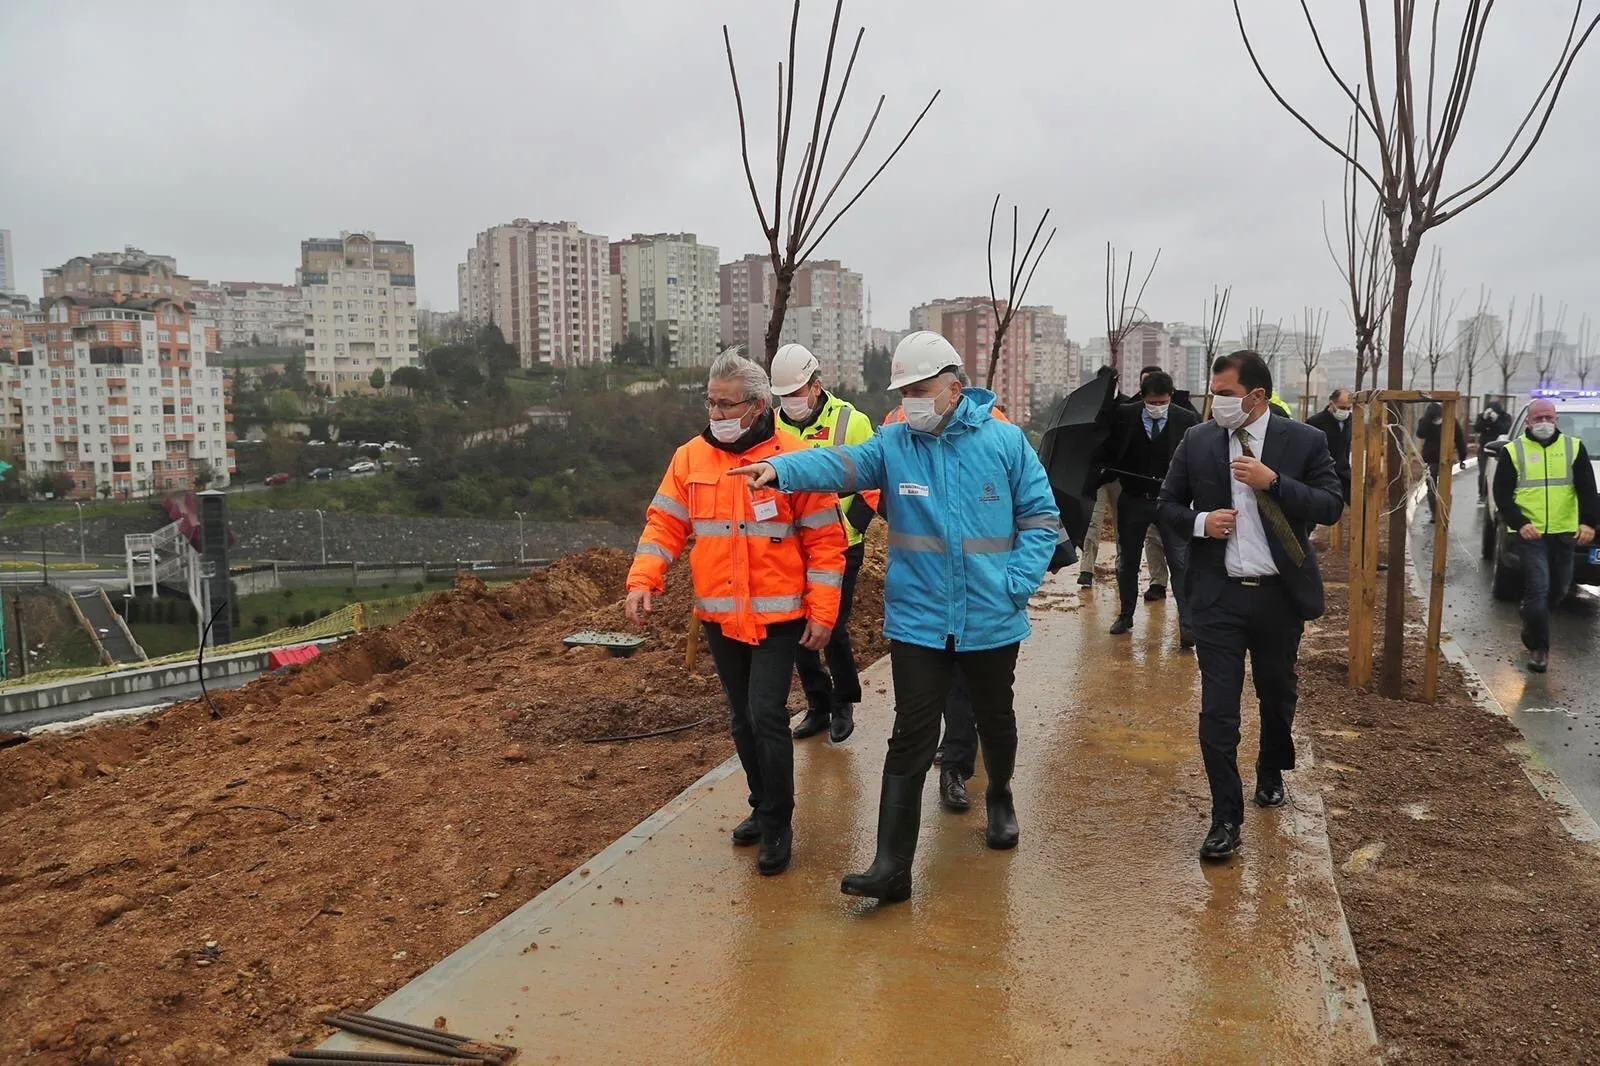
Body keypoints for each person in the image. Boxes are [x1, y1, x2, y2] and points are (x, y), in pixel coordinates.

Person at [731, 331, 1060, 902]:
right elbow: (840, 464)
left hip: (991, 618)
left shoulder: (1006, 442)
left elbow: (1040, 517)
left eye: (920, 388)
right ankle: (891, 867)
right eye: (904, 390)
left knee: (994, 717)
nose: (910, 400)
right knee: (911, 735)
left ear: (954, 387)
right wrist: (780, 473)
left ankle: (1000, 794)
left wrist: (1017, 583)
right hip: (919, 621)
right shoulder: (894, 443)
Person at [626, 350, 848, 877]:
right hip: (721, 615)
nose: (717, 414)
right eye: (711, 403)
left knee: (767, 713)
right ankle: (761, 803)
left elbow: (825, 543)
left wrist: (823, 612)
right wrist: (642, 578)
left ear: (757, 405)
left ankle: (779, 823)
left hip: (778, 616)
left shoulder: (795, 458)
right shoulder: (689, 459)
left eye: (728, 405)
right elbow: (665, 525)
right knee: (742, 718)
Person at [1159, 350, 1344, 861]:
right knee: (1218, 711)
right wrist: (1202, 523)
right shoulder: (1197, 440)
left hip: (1278, 597)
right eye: (1212, 393)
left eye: (1225, 394)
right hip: (1218, 598)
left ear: (1257, 397)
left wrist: (1275, 483)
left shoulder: (1304, 440)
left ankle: (1269, 768)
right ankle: (1225, 819)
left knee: (1277, 692)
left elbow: (1331, 504)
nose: (1214, 402)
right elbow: (1167, 505)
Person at [771, 342, 879, 744]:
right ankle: (817, 704)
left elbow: (874, 484)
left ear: (816, 386)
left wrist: (848, 527)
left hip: (840, 545)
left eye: (796, 393)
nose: (790, 402)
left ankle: (843, 701)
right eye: (783, 396)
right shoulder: (773, 424)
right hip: (790, 546)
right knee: (798, 627)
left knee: (830, 625)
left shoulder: (851, 422)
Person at [1492, 399, 1600, 673]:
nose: (1543, 423)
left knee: (1560, 589)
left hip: (1565, 533)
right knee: (1538, 588)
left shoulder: (1573, 448)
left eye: (1548, 417)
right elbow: (1502, 494)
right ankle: (1539, 648)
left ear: (1556, 420)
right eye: (1538, 418)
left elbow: (1587, 488)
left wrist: (1589, 523)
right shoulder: (1513, 451)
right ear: (1528, 421)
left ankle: (1531, 615)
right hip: (1531, 534)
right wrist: (1520, 522)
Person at [1098, 370, 1200, 644]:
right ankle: (1126, 614)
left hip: (1171, 502)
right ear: (1143, 398)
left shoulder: (1186, 419)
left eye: (1162, 402)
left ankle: (1188, 625)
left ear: (1171, 397)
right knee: (1127, 561)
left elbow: (1197, 458)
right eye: (1152, 402)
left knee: (1179, 562)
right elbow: (1108, 449)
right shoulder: (1126, 416)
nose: (1157, 407)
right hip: (1133, 499)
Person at [1081, 364, 1172, 594]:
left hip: (1125, 478)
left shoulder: (1127, 406)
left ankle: (1128, 565)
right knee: (1094, 521)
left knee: (1129, 528)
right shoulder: (1088, 407)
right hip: (1098, 475)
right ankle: (1086, 569)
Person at [1417, 402, 1468, 523]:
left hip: (1445, 459)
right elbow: (1420, 433)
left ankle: (1441, 513)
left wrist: (1462, 458)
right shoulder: (1426, 422)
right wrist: (1462, 458)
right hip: (1432, 460)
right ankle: (1436, 514)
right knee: (1432, 488)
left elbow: (1459, 439)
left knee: (1442, 487)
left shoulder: (1450, 421)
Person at [1306, 389, 1354, 503]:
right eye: (1342, 408)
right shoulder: (1314, 422)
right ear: (1331, 403)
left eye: (1348, 408)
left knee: (1360, 503)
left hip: (1343, 471)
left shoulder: (1352, 421)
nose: (1345, 412)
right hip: (1322, 473)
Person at [1475, 400, 1513, 500]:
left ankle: (1496, 494)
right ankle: (1482, 494)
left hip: (1500, 449)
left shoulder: (1505, 417)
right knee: (1483, 472)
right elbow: (1477, 428)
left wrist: (1496, 420)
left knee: (1498, 473)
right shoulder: (1482, 416)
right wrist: (1484, 418)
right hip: (1484, 448)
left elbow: (1506, 429)